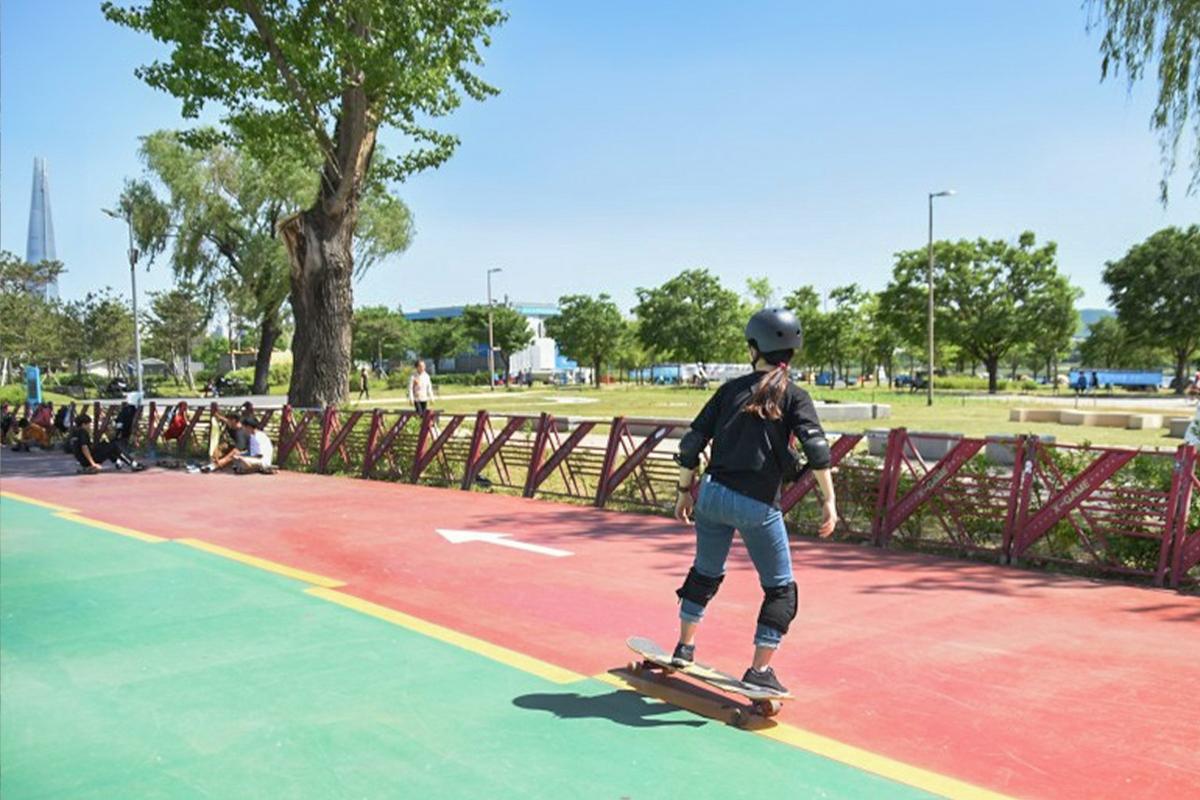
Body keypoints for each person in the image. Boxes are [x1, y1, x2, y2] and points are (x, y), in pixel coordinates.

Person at [669, 308, 839, 694]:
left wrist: (683, 492)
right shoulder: (795, 395)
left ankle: (684, 647)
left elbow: (691, 443)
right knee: (781, 589)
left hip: (711, 496)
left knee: (706, 571)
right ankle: (759, 671)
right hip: (757, 504)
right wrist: (829, 501)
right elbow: (817, 449)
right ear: (792, 352)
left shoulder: (729, 390)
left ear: (753, 349)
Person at [68, 413, 144, 473]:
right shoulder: (83, 432)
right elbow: (84, 448)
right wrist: (93, 464)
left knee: (105, 445)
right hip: (87, 461)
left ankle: (117, 461)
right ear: (83, 424)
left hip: (82, 461)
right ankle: (133, 464)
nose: (89, 426)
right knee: (113, 446)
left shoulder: (74, 432)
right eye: (88, 424)